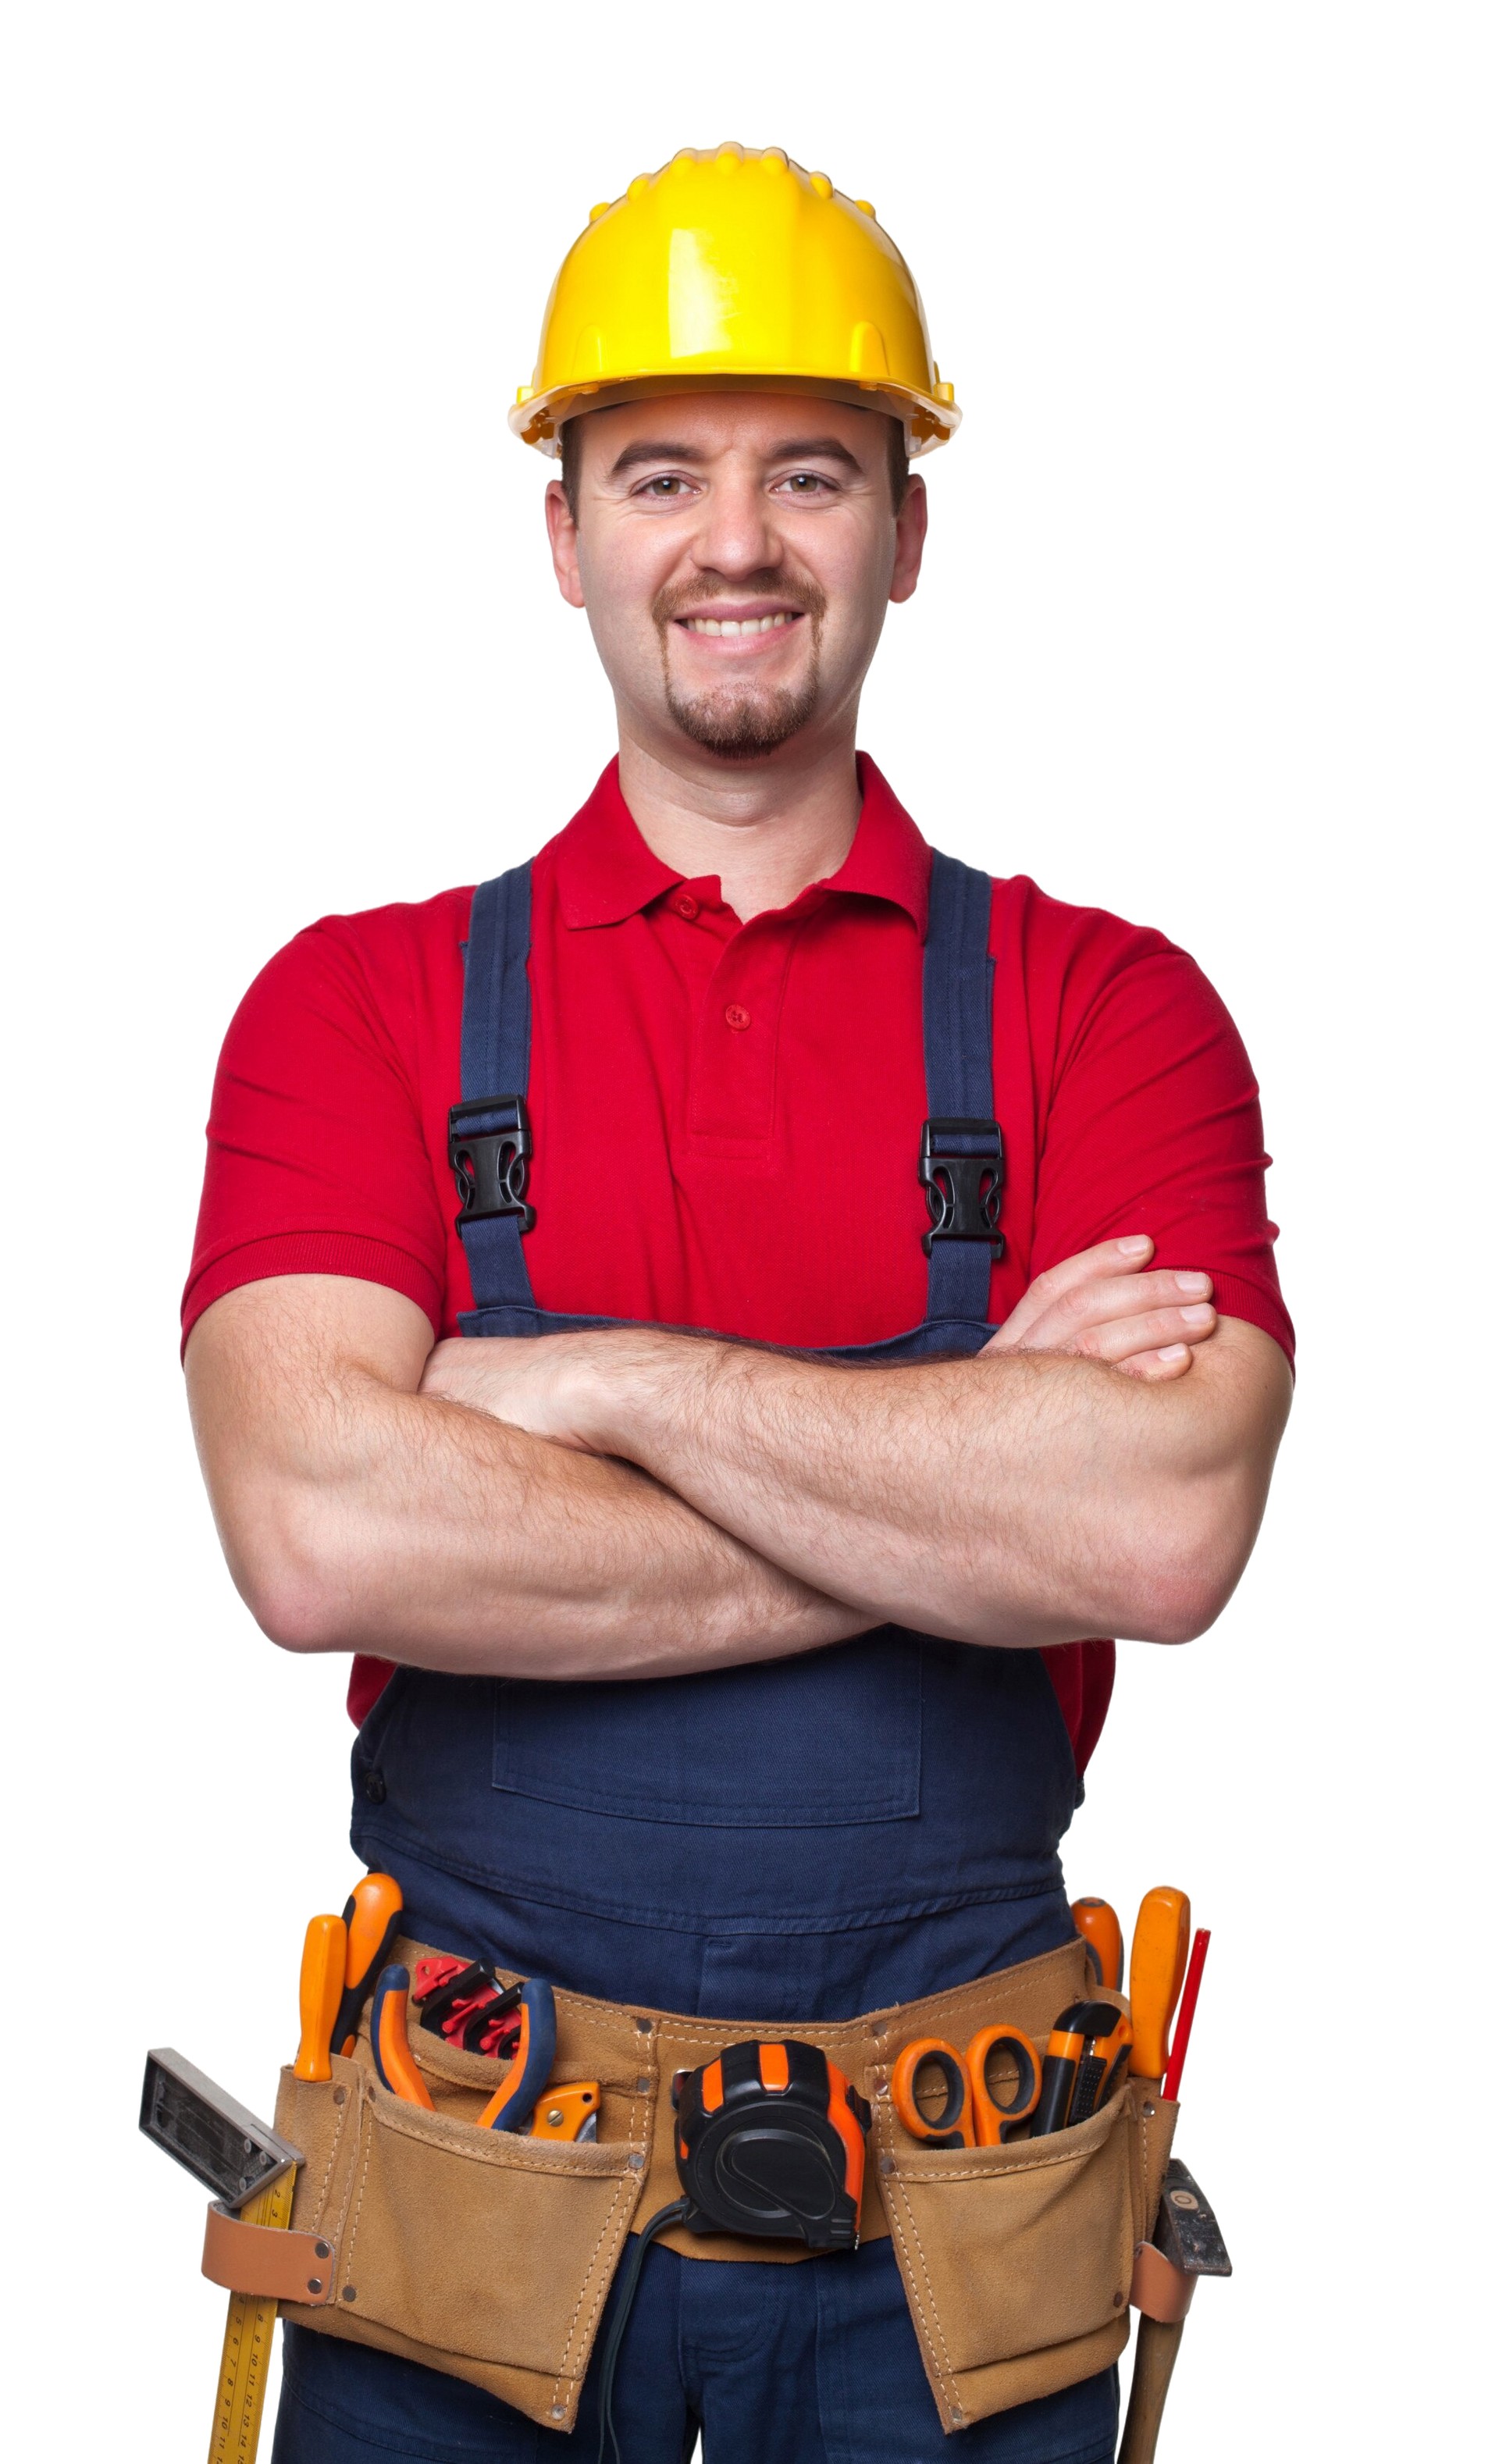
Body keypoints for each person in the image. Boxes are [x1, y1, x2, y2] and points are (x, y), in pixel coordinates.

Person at [181, 141, 1294, 2463]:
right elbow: (314, 1538)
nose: (740, 539)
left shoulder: (1117, 1007)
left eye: (815, 467)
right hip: (459, 2210)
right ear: (563, 530)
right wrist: (966, 1453)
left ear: (912, 524)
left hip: (967, 2226)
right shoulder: (350, 1003)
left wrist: (568, 1381)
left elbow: (1162, 1535)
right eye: (660, 470)